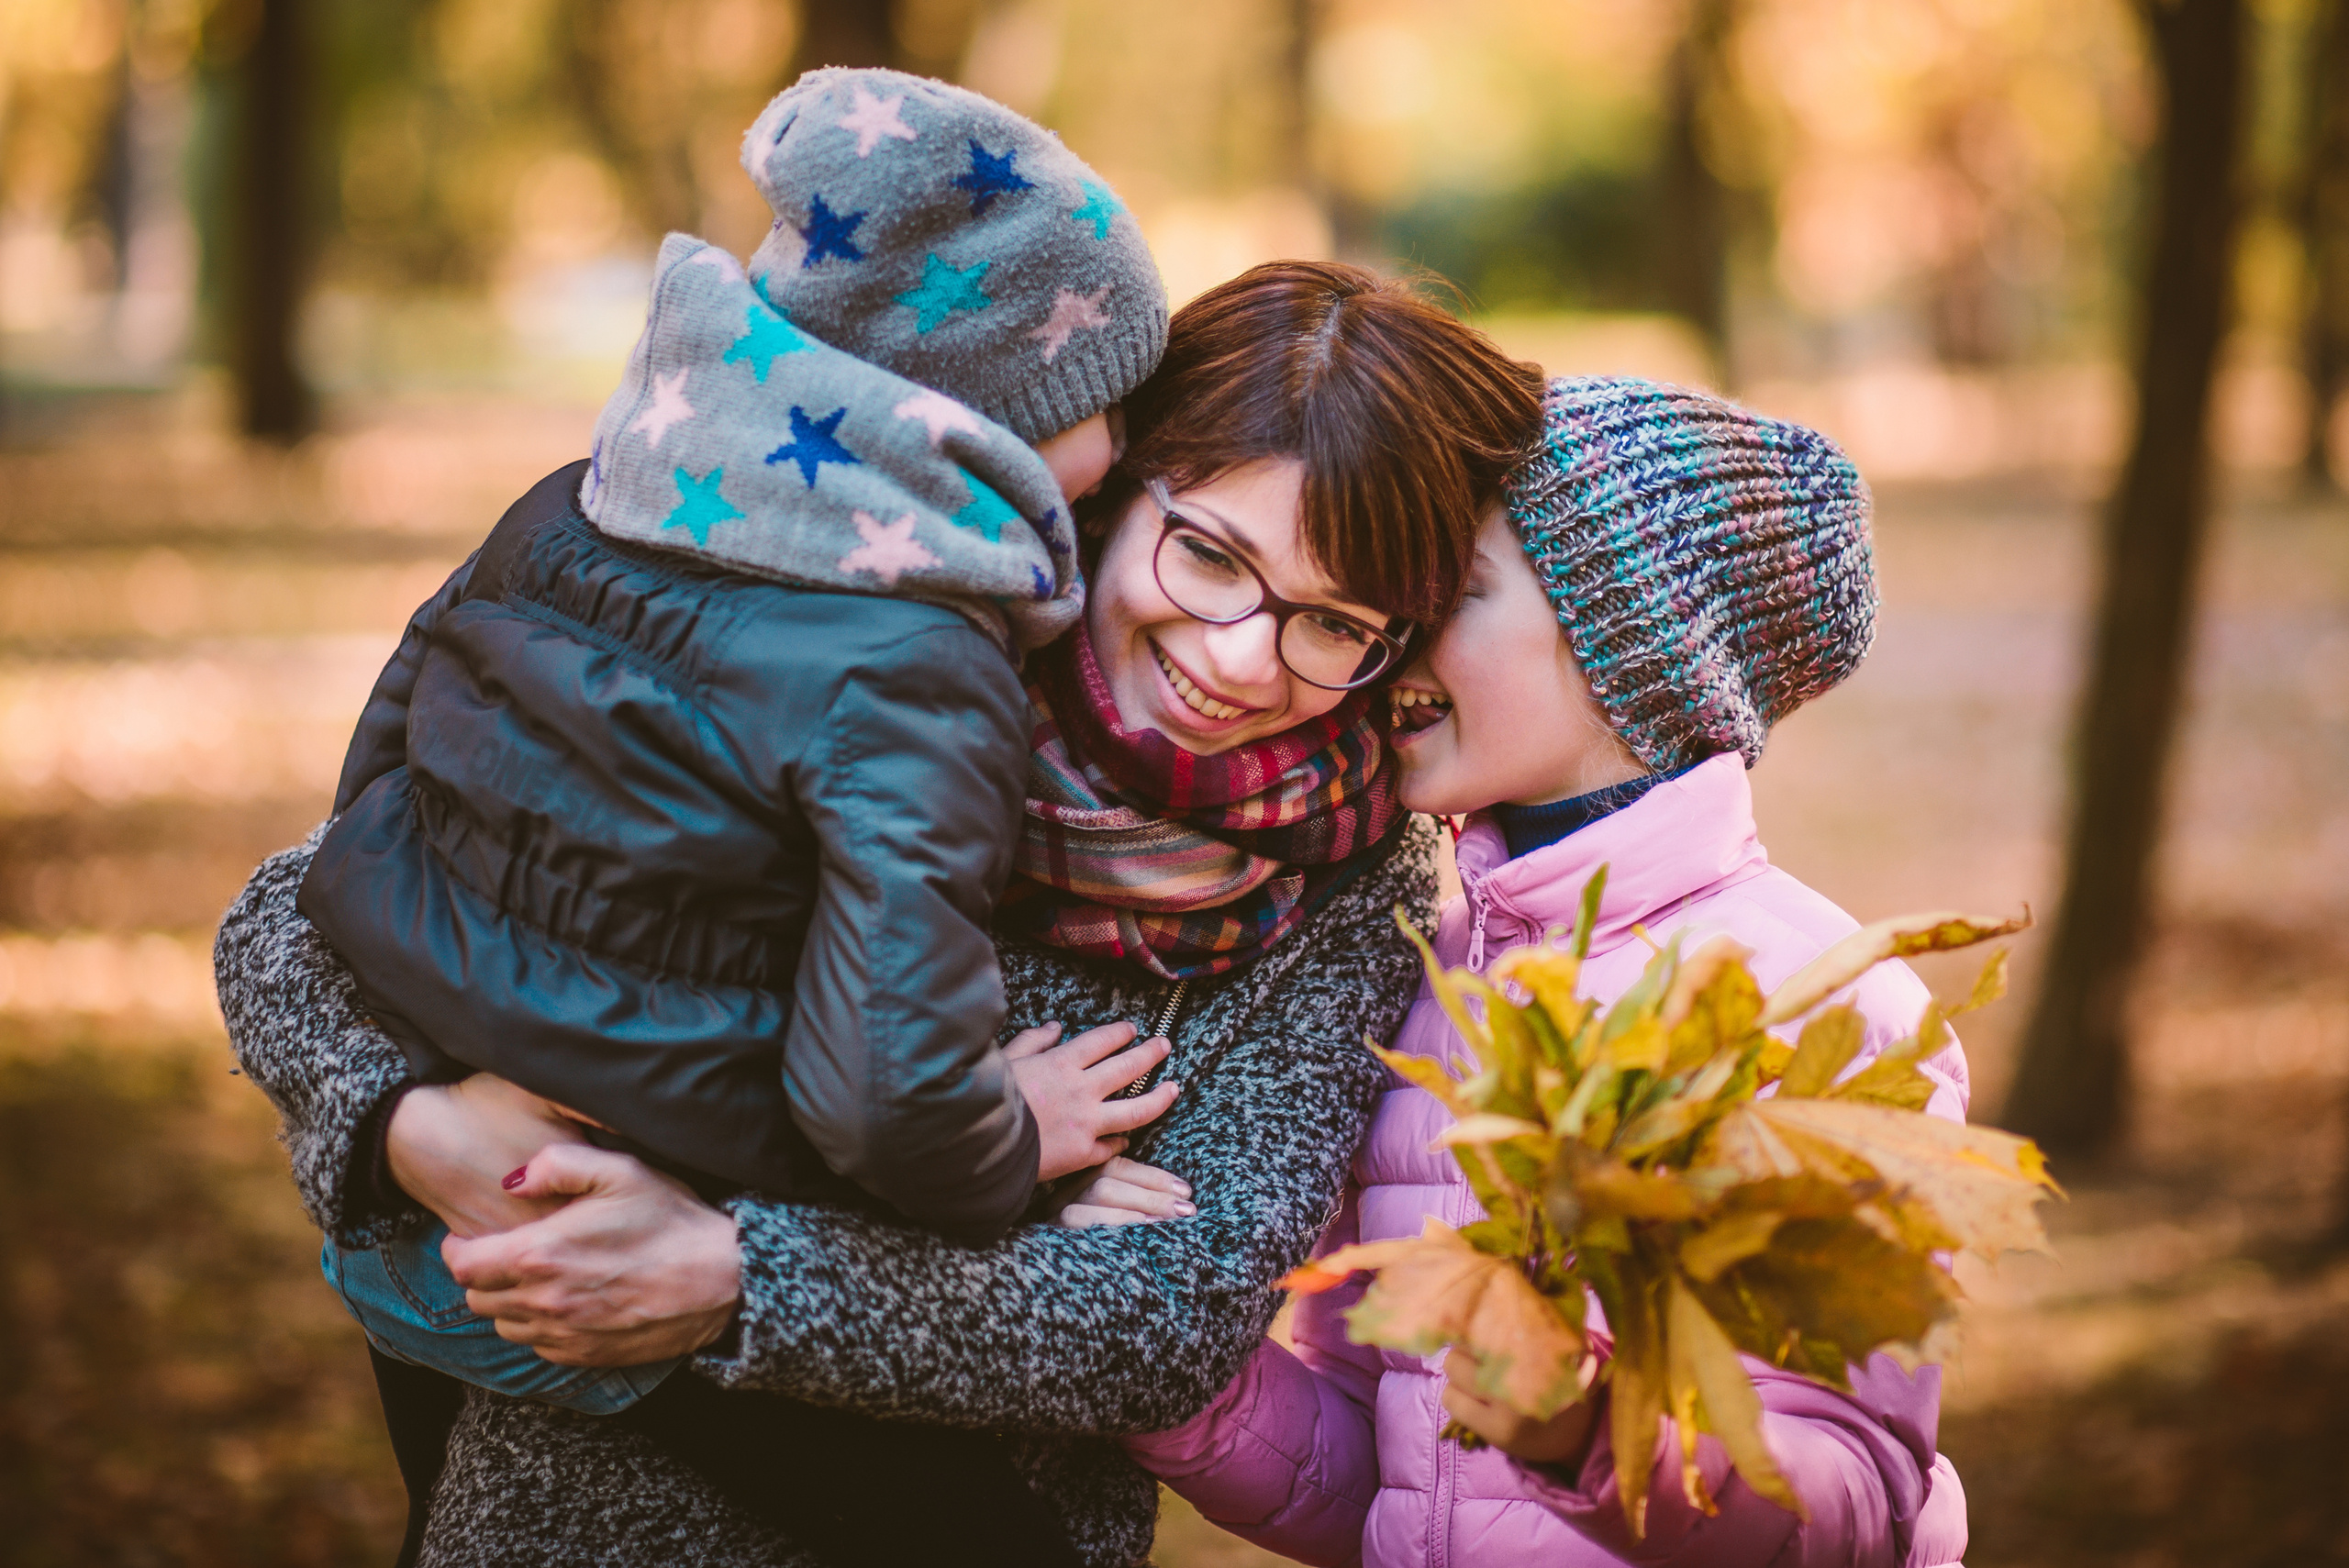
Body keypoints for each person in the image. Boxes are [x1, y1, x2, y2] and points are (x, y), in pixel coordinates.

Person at [214, 258, 1548, 1566]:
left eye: (1337, 623)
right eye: (1207, 554)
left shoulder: (1347, 883)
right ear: (1106, 491)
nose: (1243, 659)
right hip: (548, 1516)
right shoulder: (866, 643)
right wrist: (412, 1125)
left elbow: (1169, 1312)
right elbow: (300, 916)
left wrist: (733, 1271)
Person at [287, 66, 1174, 1565]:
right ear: (987, 415)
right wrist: (1012, 1137)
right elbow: (883, 1091)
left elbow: (379, 781)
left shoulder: (576, 501)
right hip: (612, 1235)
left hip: (408, 1232)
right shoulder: (921, 665)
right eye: (1111, 401)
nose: (1130, 447)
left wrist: (432, 1066)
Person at [1119, 377, 1974, 1568]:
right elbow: (1391, 1482)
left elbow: (1858, 1503)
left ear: (1629, 650)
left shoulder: (1821, 1007)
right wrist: (1162, 1365)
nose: (1390, 632)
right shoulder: (1420, 984)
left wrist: (1593, 1435)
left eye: (1455, 591)